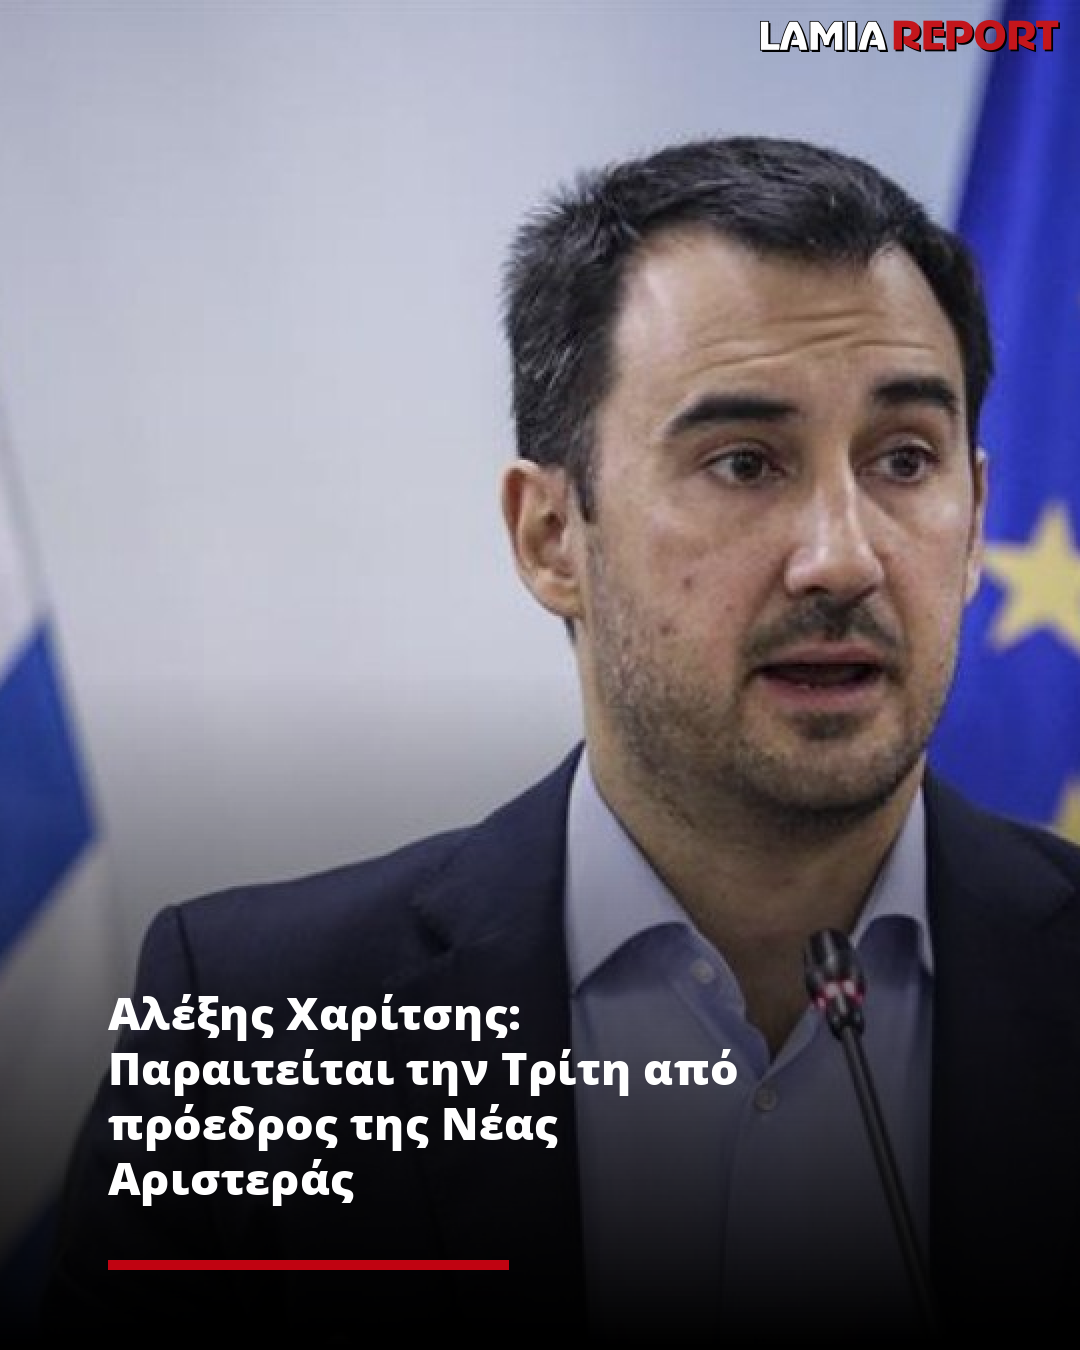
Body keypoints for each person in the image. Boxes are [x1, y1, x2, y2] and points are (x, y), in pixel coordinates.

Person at [44, 137, 1080, 1343]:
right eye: (744, 463)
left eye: (904, 460)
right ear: (550, 537)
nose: (842, 557)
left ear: (975, 520)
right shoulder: (266, 1024)